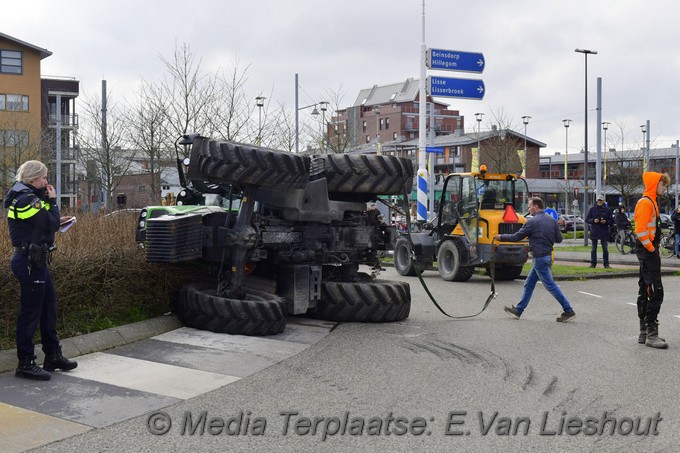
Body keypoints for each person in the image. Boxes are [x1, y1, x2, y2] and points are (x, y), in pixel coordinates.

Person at [5, 160, 78, 380]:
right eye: (44, 177)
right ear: (32, 178)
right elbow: (51, 223)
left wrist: (49, 205)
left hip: (36, 261)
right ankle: (25, 363)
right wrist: (53, 202)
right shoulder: (25, 199)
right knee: (30, 313)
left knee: (49, 307)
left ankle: (52, 355)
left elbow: (45, 222)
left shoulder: (31, 197)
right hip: (28, 261)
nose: (47, 181)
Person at [494, 197, 576, 322]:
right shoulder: (552, 221)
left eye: (529, 206)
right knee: (529, 283)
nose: (528, 209)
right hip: (546, 256)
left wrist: (501, 237)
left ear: (536, 207)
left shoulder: (532, 222)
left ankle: (568, 310)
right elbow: (559, 239)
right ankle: (518, 310)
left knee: (550, 286)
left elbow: (517, 237)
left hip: (540, 258)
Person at [634, 171, 671, 349]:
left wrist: (655, 248)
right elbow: (640, 231)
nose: (664, 187)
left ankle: (645, 332)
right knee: (655, 292)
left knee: (645, 289)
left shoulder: (651, 202)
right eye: (663, 184)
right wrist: (651, 249)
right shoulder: (646, 203)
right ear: (654, 184)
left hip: (648, 252)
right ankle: (651, 334)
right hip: (647, 253)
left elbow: (647, 231)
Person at [585, 195, 615, 268]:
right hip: (594, 230)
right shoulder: (592, 209)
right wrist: (593, 220)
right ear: (596, 201)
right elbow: (587, 219)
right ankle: (593, 263)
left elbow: (612, 221)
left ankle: (606, 264)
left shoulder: (607, 210)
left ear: (603, 201)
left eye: (601, 200)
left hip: (604, 231)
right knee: (593, 249)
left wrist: (605, 221)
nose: (599, 202)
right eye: (598, 200)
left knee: (605, 249)